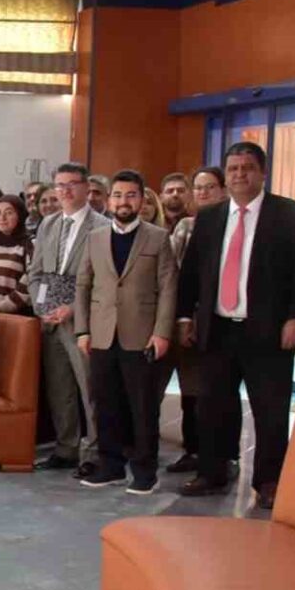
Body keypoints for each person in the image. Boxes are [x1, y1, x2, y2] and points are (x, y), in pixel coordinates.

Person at [176, 142, 295, 510]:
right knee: (213, 406)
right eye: (234, 168)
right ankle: (212, 471)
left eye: (248, 167)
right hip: (217, 329)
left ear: (262, 173)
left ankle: (269, 481)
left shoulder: (290, 213)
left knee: (270, 410)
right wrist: (185, 317)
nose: (240, 174)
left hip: (269, 331)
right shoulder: (209, 217)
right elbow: (191, 272)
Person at [75, 171, 176, 495]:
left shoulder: (158, 238)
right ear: (109, 200)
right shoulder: (95, 237)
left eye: (131, 195)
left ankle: (145, 472)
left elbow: (168, 289)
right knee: (106, 404)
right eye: (118, 195)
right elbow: (83, 286)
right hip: (102, 334)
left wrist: (162, 333)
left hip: (142, 335)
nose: (123, 201)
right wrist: (82, 330)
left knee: (142, 408)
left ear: (142, 200)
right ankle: (111, 466)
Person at [28, 162, 111, 476]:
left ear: (86, 187)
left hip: (83, 321)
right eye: (59, 185)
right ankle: (66, 448)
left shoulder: (102, 226)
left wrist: (72, 308)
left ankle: (95, 453)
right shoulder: (48, 224)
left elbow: (105, 280)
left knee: (90, 389)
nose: (64, 190)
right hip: (50, 319)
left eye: (71, 184)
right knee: (59, 387)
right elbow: (36, 272)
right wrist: (42, 306)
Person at [162, 166, 225, 473]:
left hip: (226, 322)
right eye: (198, 188)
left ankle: (223, 455)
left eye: (210, 187)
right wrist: (183, 318)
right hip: (190, 320)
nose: (203, 193)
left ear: (223, 191)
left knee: (220, 393)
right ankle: (193, 450)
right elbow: (174, 273)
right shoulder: (186, 227)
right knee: (191, 391)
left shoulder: (234, 224)